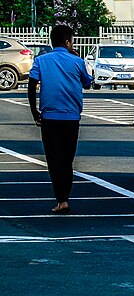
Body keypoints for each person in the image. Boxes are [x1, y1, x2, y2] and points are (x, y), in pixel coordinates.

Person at [27, 25, 93, 214]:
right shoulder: (77, 61)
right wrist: (76, 59)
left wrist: (34, 112)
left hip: (49, 118)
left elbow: (31, 86)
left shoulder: (41, 61)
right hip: (72, 117)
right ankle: (66, 197)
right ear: (67, 42)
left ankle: (61, 199)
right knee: (67, 159)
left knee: (54, 159)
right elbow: (87, 84)